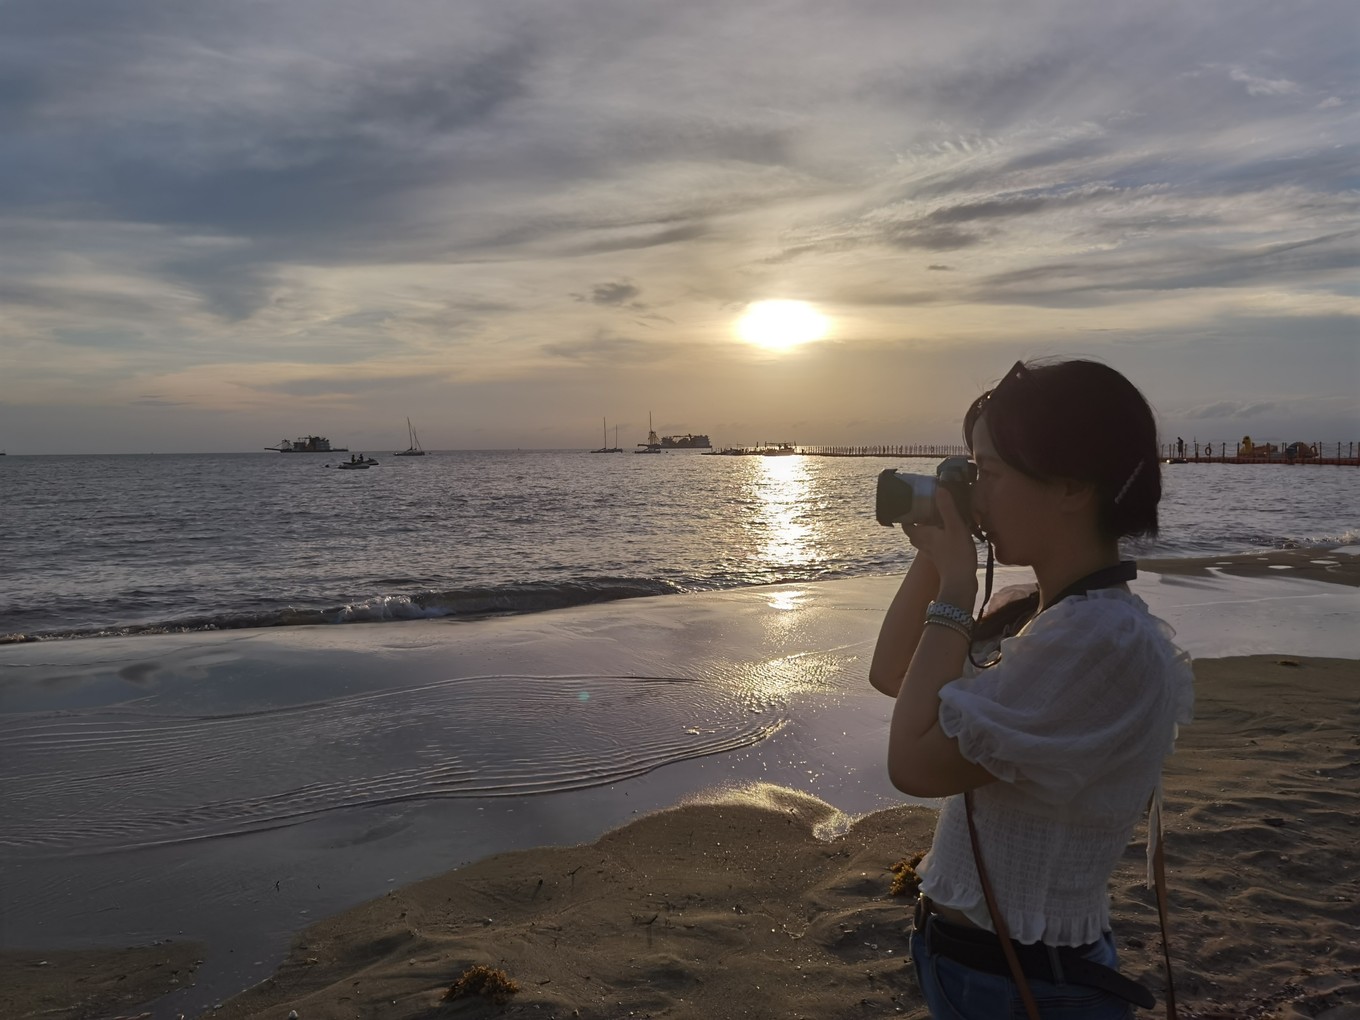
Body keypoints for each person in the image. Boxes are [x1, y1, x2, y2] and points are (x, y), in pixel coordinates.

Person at [869, 359, 1193, 1019]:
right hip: (978, 969)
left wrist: (958, 585)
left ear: (1071, 485)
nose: (975, 494)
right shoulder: (1041, 615)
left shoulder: (1102, 643)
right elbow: (896, 674)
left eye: (988, 472)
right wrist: (937, 555)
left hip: (1025, 986)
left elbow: (913, 763)